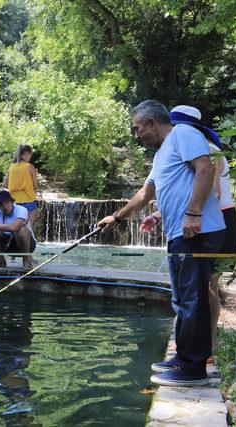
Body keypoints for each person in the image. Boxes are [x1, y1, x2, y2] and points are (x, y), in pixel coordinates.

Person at [98, 100, 226, 387]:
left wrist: (193, 213)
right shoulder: (160, 156)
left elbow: (205, 170)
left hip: (197, 231)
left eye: (137, 128)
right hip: (180, 235)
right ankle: (183, 359)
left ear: (153, 123)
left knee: (193, 299)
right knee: (182, 300)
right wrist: (116, 218)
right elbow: (145, 194)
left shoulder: (184, 134)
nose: (136, 135)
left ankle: (193, 370)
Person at [139, 105, 236, 360]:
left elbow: (213, 194)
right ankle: (198, 346)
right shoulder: (185, 146)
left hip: (221, 221)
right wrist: (159, 214)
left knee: (203, 290)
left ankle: (206, 347)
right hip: (209, 220)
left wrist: (193, 214)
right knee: (201, 290)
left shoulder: (208, 150)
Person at [2, 144, 39, 229]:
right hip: (29, 201)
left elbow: (4, 184)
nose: (30, 158)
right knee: (28, 229)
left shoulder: (12, 167)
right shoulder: (30, 167)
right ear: (26, 154)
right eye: (30, 155)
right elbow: (35, 185)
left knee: (15, 228)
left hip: (14, 202)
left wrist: (15, 186)